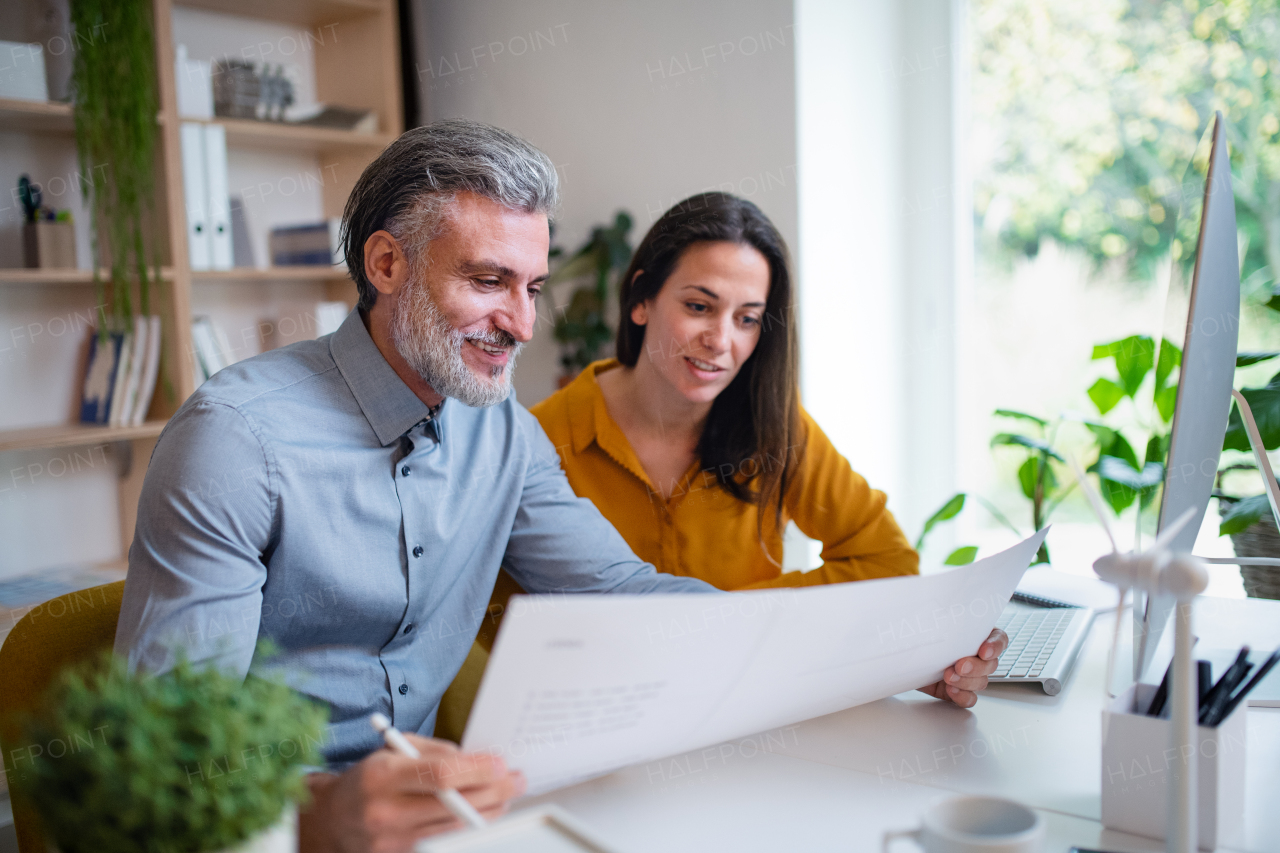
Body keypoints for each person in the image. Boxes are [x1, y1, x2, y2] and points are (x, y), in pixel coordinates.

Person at [114, 120, 719, 851]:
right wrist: (320, 815)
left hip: (441, 827)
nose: (523, 324)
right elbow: (163, 750)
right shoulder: (233, 440)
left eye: (532, 287)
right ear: (387, 263)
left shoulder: (504, 434)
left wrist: (833, 644)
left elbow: (621, 591)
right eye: (489, 281)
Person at [524, 191, 1000, 707]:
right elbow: (503, 634)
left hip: (752, 709)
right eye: (699, 306)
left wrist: (728, 620)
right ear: (641, 299)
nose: (721, 340)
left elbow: (886, 563)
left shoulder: (775, 426)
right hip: (604, 722)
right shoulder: (539, 441)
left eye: (747, 319)